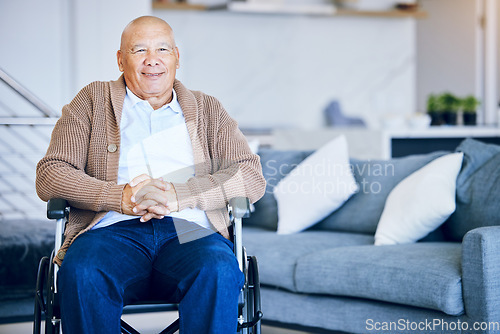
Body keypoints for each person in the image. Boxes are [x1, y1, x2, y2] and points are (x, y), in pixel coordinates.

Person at [36, 15, 265, 334]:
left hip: (190, 231)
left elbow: (250, 174)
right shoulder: (91, 101)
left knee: (218, 269)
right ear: (120, 59)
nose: (152, 60)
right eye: (139, 50)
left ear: (177, 57)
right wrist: (120, 198)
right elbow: (51, 173)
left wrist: (179, 196)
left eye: (162, 49)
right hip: (111, 230)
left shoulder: (207, 108)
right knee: (83, 269)